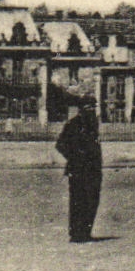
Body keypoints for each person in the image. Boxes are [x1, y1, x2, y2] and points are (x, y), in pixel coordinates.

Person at [55, 98, 103, 244]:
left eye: (93, 107)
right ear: (81, 109)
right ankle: (77, 233)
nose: (92, 110)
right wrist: (75, 157)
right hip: (78, 170)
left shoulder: (92, 125)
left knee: (92, 200)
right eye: (89, 107)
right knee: (78, 201)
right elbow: (60, 144)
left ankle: (86, 232)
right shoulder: (73, 124)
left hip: (93, 170)